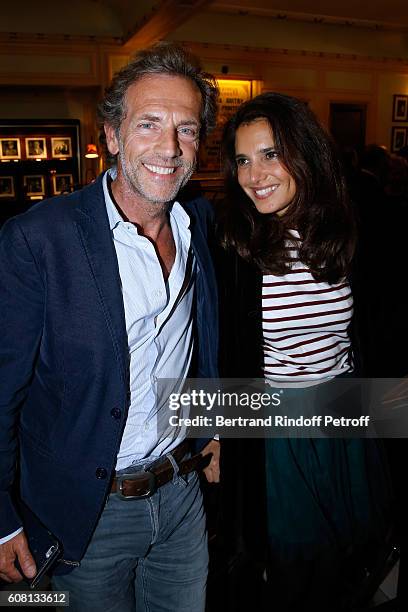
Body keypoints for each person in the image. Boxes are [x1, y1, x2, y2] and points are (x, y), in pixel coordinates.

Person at [0, 42, 220, 612]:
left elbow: (210, 335)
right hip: (85, 513)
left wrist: (213, 423)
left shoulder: (200, 223)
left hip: (181, 496)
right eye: (148, 124)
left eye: (187, 129)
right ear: (113, 137)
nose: (169, 148)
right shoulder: (38, 239)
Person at [216, 92, 392, 611]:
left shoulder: (354, 229)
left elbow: (379, 333)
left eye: (270, 154)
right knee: (295, 568)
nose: (255, 174)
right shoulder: (234, 245)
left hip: (346, 412)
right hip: (280, 424)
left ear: (304, 152)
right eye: (243, 160)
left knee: (356, 552)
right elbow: (223, 351)